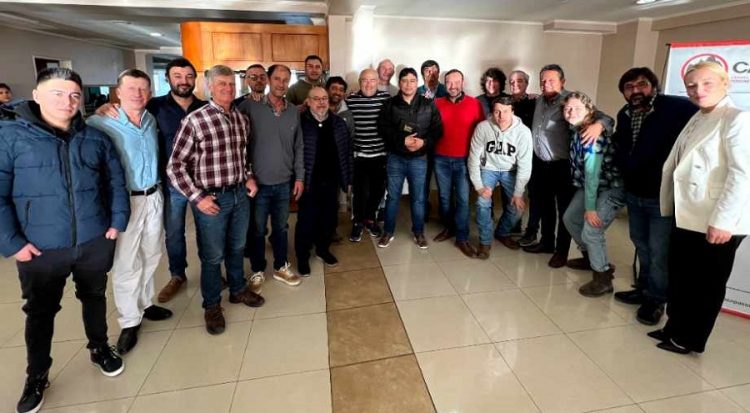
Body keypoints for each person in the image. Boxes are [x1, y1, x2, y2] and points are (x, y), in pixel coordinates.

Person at [0, 68, 129, 413]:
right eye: (57, 93)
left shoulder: (95, 138)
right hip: (39, 247)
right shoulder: (10, 137)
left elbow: (115, 182)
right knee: (40, 312)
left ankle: (99, 348)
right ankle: (37, 375)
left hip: (93, 239)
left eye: (73, 95)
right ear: (37, 95)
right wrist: (11, 243)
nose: (67, 101)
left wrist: (116, 222)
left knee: (94, 297)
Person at [651, 61, 749, 355]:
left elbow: (742, 175)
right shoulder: (698, 115)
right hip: (689, 213)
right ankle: (674, 328)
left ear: (725, 83)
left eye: (707, 83)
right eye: (692, 85)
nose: (698, 90)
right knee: (681, 277)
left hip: (716, 218)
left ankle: (690, 339)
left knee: (705, 284)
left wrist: (723, 221)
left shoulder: (737, 119)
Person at [97, 57, 207, 304]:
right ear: (168, 79)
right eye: (177, 76)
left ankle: (209, 272)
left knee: (205, 231)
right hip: (170, 184)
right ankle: (177, 275)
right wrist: (105, 108)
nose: (184, 81)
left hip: (201, 182)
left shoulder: (204, 107)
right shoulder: (153, 107)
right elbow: (128, 111)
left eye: (189, 76)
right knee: (174, 233)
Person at [168, 65, 264, 336]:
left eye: (231, 84)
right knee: (212, 256)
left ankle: (237, 289)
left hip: (239, 194)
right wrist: (197, 198)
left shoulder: (241, 119)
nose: (228, 89)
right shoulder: (195, 120)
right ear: (210, 87)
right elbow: (175, 167)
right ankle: (211, 305)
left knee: (237, 247)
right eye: (222, 84)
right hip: (211, 198)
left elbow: (243, 156)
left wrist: (248, 177)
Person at [87, 69, 172, 355]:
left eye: (143, 89)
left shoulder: (150, 119)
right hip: (124, 201)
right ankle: (129, 321)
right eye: (131, 88)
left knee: (152, 253)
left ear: (150, 92)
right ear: (118, 92)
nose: (138, 94)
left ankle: (145, 304)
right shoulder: (100, 123)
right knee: (126, 262)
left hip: (153, 195)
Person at [610, 67, 697, 325]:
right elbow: (621, 144)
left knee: (659, 251)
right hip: (635, 193)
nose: (635, 90)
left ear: (653, 86)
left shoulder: (676, 108)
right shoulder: (625, 114)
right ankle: (643, 288)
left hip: (662, 196)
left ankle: (656, 300)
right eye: (629, 87)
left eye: (642, 85)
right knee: (641, 244)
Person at [522, 64, 612, 269]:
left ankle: (561, 251)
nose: (546, 84)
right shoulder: (539, 100)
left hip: (563, 166)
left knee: (564, 210)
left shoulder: (571, 101)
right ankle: (546, 242)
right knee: (545, 206)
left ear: (562, 82)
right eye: (543, 80)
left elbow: (604, 117)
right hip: (541, 164)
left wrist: (599, 125)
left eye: (552, 80)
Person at [238, 64, 305, 291]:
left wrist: (300, 177)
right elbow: (240, 145)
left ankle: (281, 266)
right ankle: (257, 270)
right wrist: (247, 175)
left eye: (286, 80)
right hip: (258, 184)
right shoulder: (248, 107)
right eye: (277, 78)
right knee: (257, 230)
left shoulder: (293, 111)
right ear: (268, 80)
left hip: (284, 182)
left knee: (281, 228)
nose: (281, 84)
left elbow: (299, 146)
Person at [560, 92, 623, 297]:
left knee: (592, 230)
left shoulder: (591, 136)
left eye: (577, 108)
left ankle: (603, 277)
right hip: (590, 185)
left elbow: (592, 174)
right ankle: (590, 258)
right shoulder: (577, 129)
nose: (571, 112)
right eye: (567, 108)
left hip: (610, 187)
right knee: (570, 218)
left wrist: (590, 208)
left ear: (589, 110)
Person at [377, 67, 443, 249]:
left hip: (419, 159)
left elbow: (437, 130)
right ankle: (388, 232)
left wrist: (424, 143)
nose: (408, 84)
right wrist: (402, 140)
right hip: (396, 158)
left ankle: (419, 232)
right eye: (404, 81)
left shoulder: (428, 104)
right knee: (393, 197)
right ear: (399, 83)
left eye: (412, 81)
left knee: (418, 198)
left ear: (417, 83)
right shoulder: (389, 104)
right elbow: (383, 128)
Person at [295, 87, 352, 275]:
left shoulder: (338, 123)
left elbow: (347, 152)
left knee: (328, 218)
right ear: (308, 101)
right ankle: (302, 256)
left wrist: (347, 178)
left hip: (332, 180)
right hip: (309, 181)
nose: (321, 102)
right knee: (306, 220)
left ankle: (323, 249)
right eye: (316, 99)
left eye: (324, 98)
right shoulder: (300, 122)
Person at [469, 97, 532, 259]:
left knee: (517, 207)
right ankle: (485, 241)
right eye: (497, 111)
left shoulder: (523, 132)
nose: (501, 116)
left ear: (513, 112)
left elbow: (525, 165)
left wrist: (518, 193)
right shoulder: (483, 127)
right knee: (482, 203)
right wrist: (478, 186)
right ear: (492, 112)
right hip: (488, 168)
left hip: (511, 170)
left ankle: (502, 232)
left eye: (505, 111)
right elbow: (473, 158)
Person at [433, 69, 484, 257]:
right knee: (444, 198)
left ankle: (462, 238)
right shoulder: (436, 103)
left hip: (464, 160)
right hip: (440, 159)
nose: (453, 86)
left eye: (456, 82)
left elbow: (482, 131)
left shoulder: (475, 104)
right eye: (449, 82)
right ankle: (449, 228)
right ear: (444, 84)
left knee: (463, 199)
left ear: (462, 83)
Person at [346, 68, 391, 242]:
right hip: (359, 156)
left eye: (372, 80)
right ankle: (358, 222)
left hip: (380, 155)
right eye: (365, 80)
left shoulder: (386, 99)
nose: (369, 83)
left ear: (378, 82)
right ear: (359, 82)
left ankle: (370, 219)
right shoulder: (350, 100)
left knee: (377, 191)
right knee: (360, 192)